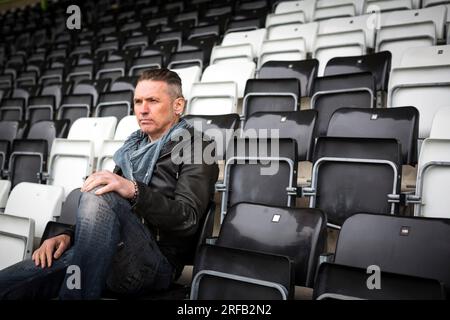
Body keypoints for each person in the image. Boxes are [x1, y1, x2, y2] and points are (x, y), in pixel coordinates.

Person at [0, 69, 219, 299]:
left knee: (101, 191)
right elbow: (105, 212)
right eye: (138, 101)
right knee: (12, 281)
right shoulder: (133, 147)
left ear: (178, 105)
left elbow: (188, 219)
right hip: (108, 249)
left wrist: (134, 190)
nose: (143, 109)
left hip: (154, 264)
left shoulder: (199, 147)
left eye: (153, 101)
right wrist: (68, 236)